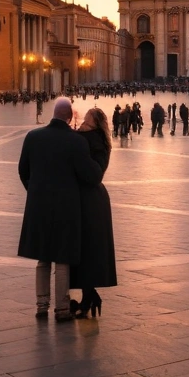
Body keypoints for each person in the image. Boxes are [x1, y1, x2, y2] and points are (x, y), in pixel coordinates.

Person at [17, 98, 103, 321]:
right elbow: (92, 175)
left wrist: (35, 192)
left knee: (43, 258)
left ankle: (41, 305)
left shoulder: (33, 137)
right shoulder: (75, 141)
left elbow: (22, 171)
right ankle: (62, 308)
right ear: (69, 116)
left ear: (53, 113)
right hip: (66, 207)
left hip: (39, 206)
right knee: (62, 259)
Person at [69, 107, 117, 318]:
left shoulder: (94, 143)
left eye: (86, 124)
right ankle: (89, 296)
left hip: (91, 204)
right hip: (84, 201)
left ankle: (89, 298)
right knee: (81, 251)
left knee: (86, 251)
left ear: (95, 127)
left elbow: (95, 174)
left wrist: (78, 143)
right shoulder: (88, 139)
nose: (81, 127)